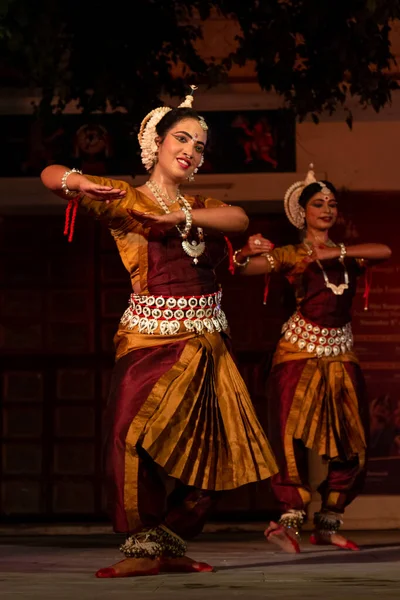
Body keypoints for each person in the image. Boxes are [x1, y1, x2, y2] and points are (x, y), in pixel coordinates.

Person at [41, 87, 278, 577]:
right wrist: (77, 182)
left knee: (217, 444)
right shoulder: (126, 198)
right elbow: (48, 176)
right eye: (183, 138)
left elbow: (239, 217)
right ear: (156, 141)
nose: (192, 151)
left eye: (200, 145)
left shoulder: (202, 205)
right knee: (130, 435)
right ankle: (143, 543)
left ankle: (169, 540)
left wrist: (179, 215)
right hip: (148, 338)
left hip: (207, 340)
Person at [232, 165, 391, 553]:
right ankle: (288, 518)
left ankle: (329, 519)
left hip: (341, 353)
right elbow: (243, 269)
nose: (327, 209)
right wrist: (244, 251)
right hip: (297, 353)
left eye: (332, 204)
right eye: (318, 203)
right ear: (302, 212)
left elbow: (384, 251)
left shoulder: (348, 256)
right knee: (288, 437)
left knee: (355, 440)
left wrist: (338, 251)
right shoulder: (291, 255)